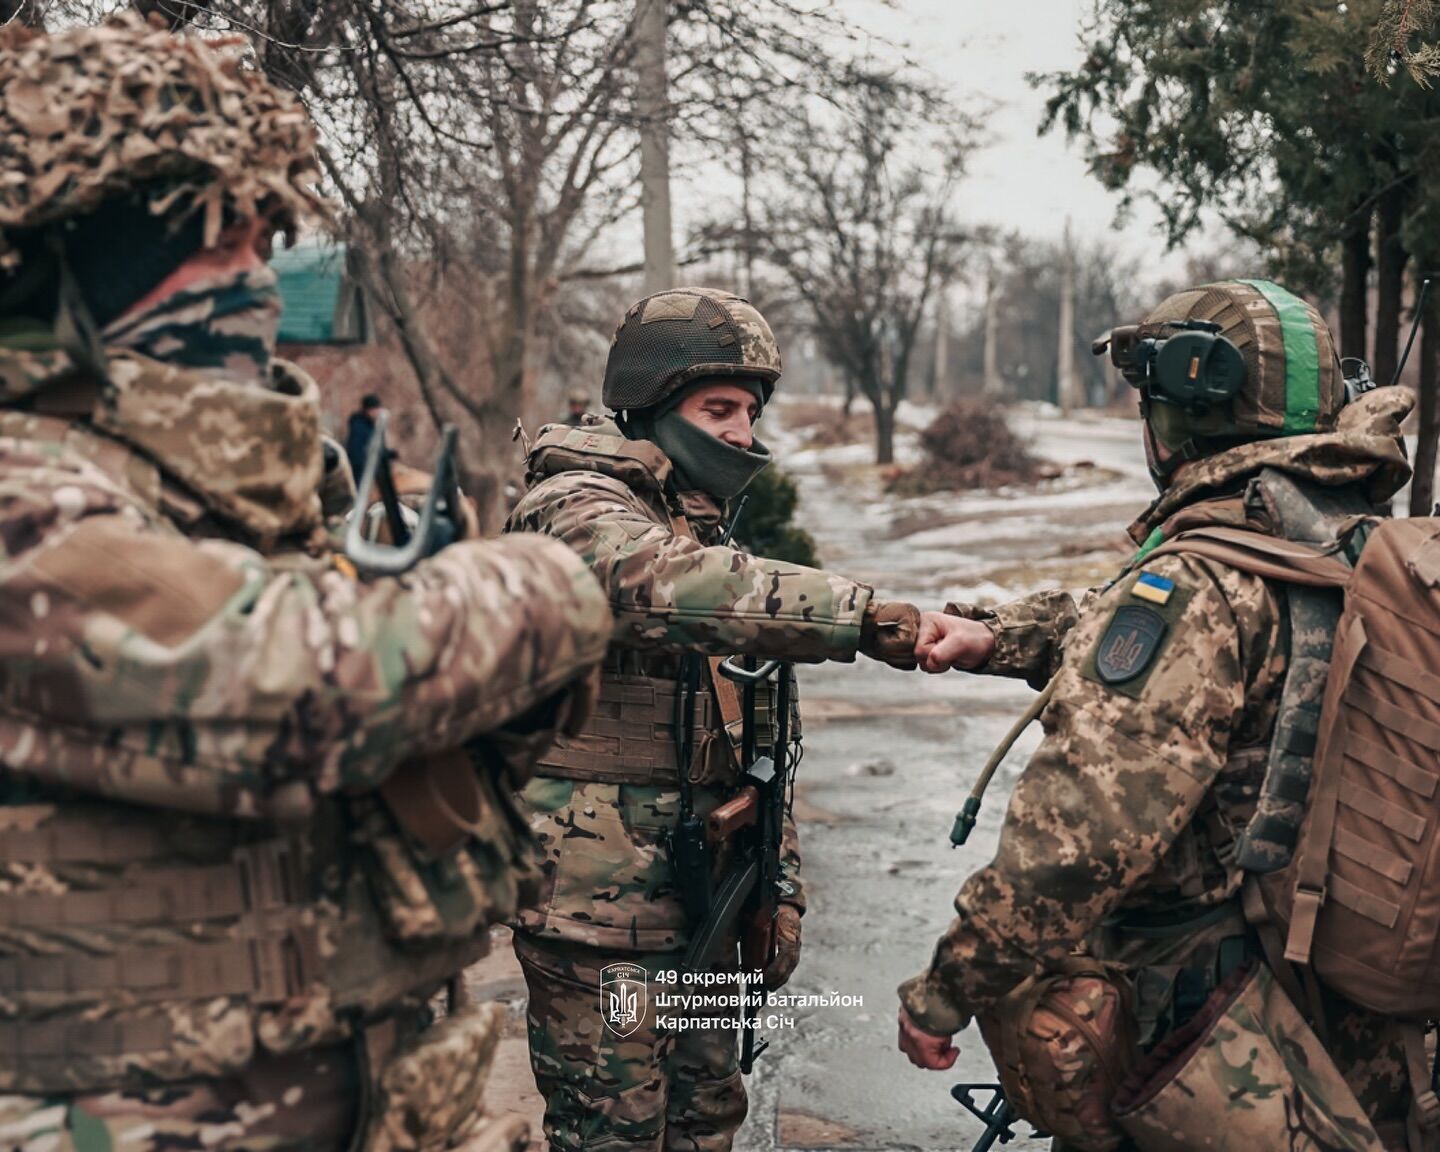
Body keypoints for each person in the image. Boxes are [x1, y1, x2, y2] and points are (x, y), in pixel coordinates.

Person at [0, 15, 612, 1151]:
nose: (260, 290)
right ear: (88, 261)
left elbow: (430, 755)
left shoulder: (248, 489)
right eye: (218, 249)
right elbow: (293, 685)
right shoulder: (28, 489)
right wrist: (553, 587)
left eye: (262, 245)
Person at [898, 279, 1419, 1150]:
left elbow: (1078, 841)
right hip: (1360, 1005)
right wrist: (1000, 636)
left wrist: (948, 990)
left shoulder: (1199, 586)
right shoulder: (1353, 542)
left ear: (1181, 412)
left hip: (1214, 1027)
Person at [505, 286, 928, 1152]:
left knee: (707, 1124)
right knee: (613, 1136)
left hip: (704, 907)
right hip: (599, 925)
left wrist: (778, 892)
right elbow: (668, 589)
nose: (742, 431)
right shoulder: (572, 508)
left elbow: (767, 747)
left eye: (751, 411)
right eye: (719, 408)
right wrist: (870, 617)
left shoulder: (705, 532)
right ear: (654, 407)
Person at [346, 391, 385, 479]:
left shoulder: (374, 425)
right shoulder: (359, 427)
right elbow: (356, 453)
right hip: (361, 471)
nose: (377, 412)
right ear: (368, 410)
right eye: (375, 410)